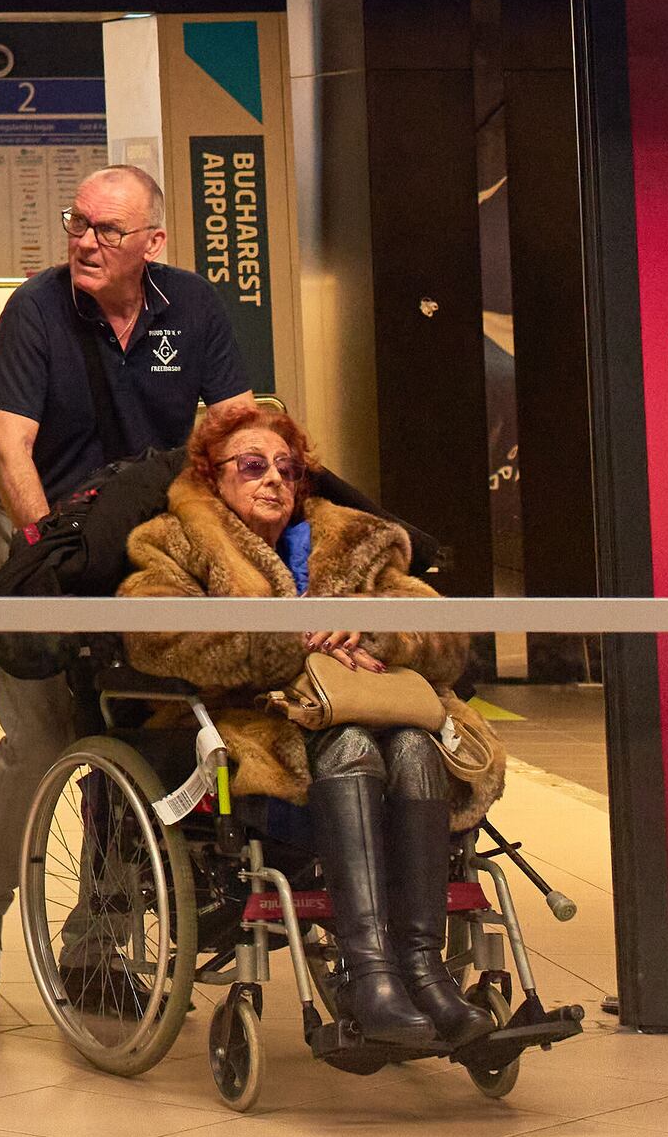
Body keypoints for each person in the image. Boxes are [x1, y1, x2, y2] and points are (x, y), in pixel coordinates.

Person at [120, 401, 505, 1050]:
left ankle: (424, 970)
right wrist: (293, 643)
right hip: (256, 723)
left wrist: (375, 629)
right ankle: (371, 975)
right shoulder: (174, 542)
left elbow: (442, 631)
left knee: (415, 746)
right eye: (253, 465)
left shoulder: (356, 538)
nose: (274, 478)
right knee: (352, 745)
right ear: (213, 474)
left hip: (378, 710)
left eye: (288, 468)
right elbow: (153, 635)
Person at [0, 163, 253, 1006]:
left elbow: (238, 431)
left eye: (107, 231)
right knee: (44, 734)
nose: (85, 242)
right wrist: (50, 554)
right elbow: (7, 449)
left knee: (134, 729)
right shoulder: (37, 309)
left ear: (151, 242)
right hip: (31, 528)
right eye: (77, 223)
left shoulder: (191, 309)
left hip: (137, 541)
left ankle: (97, 941)